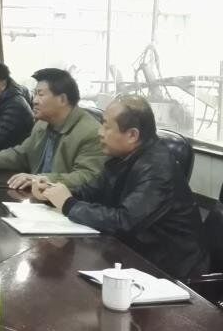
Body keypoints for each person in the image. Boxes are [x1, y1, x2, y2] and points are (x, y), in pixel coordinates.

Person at [34, 95, 209, 278]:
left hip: (170, 271)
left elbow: (123, 221)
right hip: (133, 253)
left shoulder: (157, 169)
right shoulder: (122, 156)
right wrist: (52, 193)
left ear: (132, 135)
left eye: (106, 126)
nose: (99, 132)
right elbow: (91, 191)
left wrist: (69, 204)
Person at [0, 68, 106, 190]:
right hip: (36, 196)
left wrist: (42, 180)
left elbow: (88, 177)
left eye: (40, 95)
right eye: (34, 94)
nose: (34, 100)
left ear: (62, 99)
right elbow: (22, 154)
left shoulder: (91, 132)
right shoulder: (42, 123)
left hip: (65, 203)